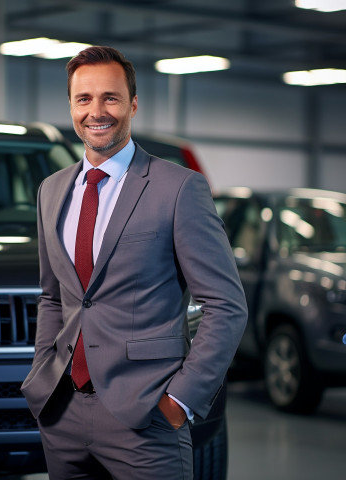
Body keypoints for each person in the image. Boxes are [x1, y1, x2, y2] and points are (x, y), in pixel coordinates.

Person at [21, 45, 248, 479]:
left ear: (133, 104)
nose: (96, 111)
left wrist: (180, 400)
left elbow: (226, 306)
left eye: (110, 97)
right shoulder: (51, 191)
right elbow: (54, 298)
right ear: (70, 105)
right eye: (83, 99)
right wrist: (41, 376)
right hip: (61, 411)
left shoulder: (179, 188)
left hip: (146, 416)